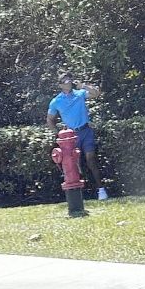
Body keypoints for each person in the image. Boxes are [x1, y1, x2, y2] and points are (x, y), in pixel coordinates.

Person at [46, 72, 108, 200]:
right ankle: (80, 194)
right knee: (74, 164)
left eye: (69, 80)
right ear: (60, 85)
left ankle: (101, 190)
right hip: (71, 136)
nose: (68, 83)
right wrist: (59, 133)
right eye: (64, 81)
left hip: (86, 131)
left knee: (91, 159)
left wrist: (83, 86)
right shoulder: (56, 101)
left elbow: (96, 93)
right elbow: (50, 120)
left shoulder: (79, 94)